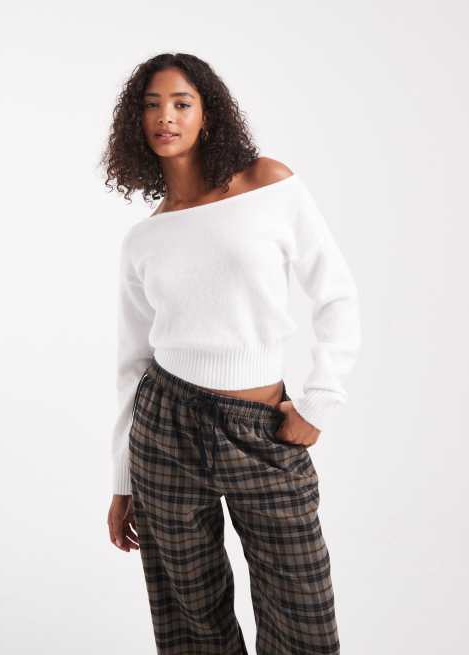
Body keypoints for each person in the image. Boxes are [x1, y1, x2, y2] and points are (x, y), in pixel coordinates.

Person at [101, 52, 361, 655]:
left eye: (181, 103)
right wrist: (121, 476)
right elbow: (131, 361)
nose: (165, 117)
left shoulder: (268, 184)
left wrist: (319, 402)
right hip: (164, 428)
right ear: (135, 123)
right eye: (151, 106)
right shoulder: (144, 239)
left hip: (262, 427)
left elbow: (337, 295)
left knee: (303, 620)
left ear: (207, 114)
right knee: (192, 625)